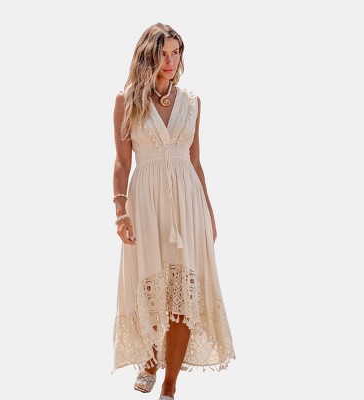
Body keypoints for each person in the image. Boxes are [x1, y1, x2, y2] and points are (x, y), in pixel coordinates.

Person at [111, 22, 236, 400]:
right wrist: (121, 211)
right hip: (146, 203)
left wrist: (209, 211)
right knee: (153, 288)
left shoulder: (192, 103)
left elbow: (195, 162)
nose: (170, 61)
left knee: (185, 293)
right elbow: (122, 162)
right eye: (163, 53)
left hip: (188, 203)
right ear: (148, 55)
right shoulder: (127, 101)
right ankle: (150, 362)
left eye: (176, 53)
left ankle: (169, 386)